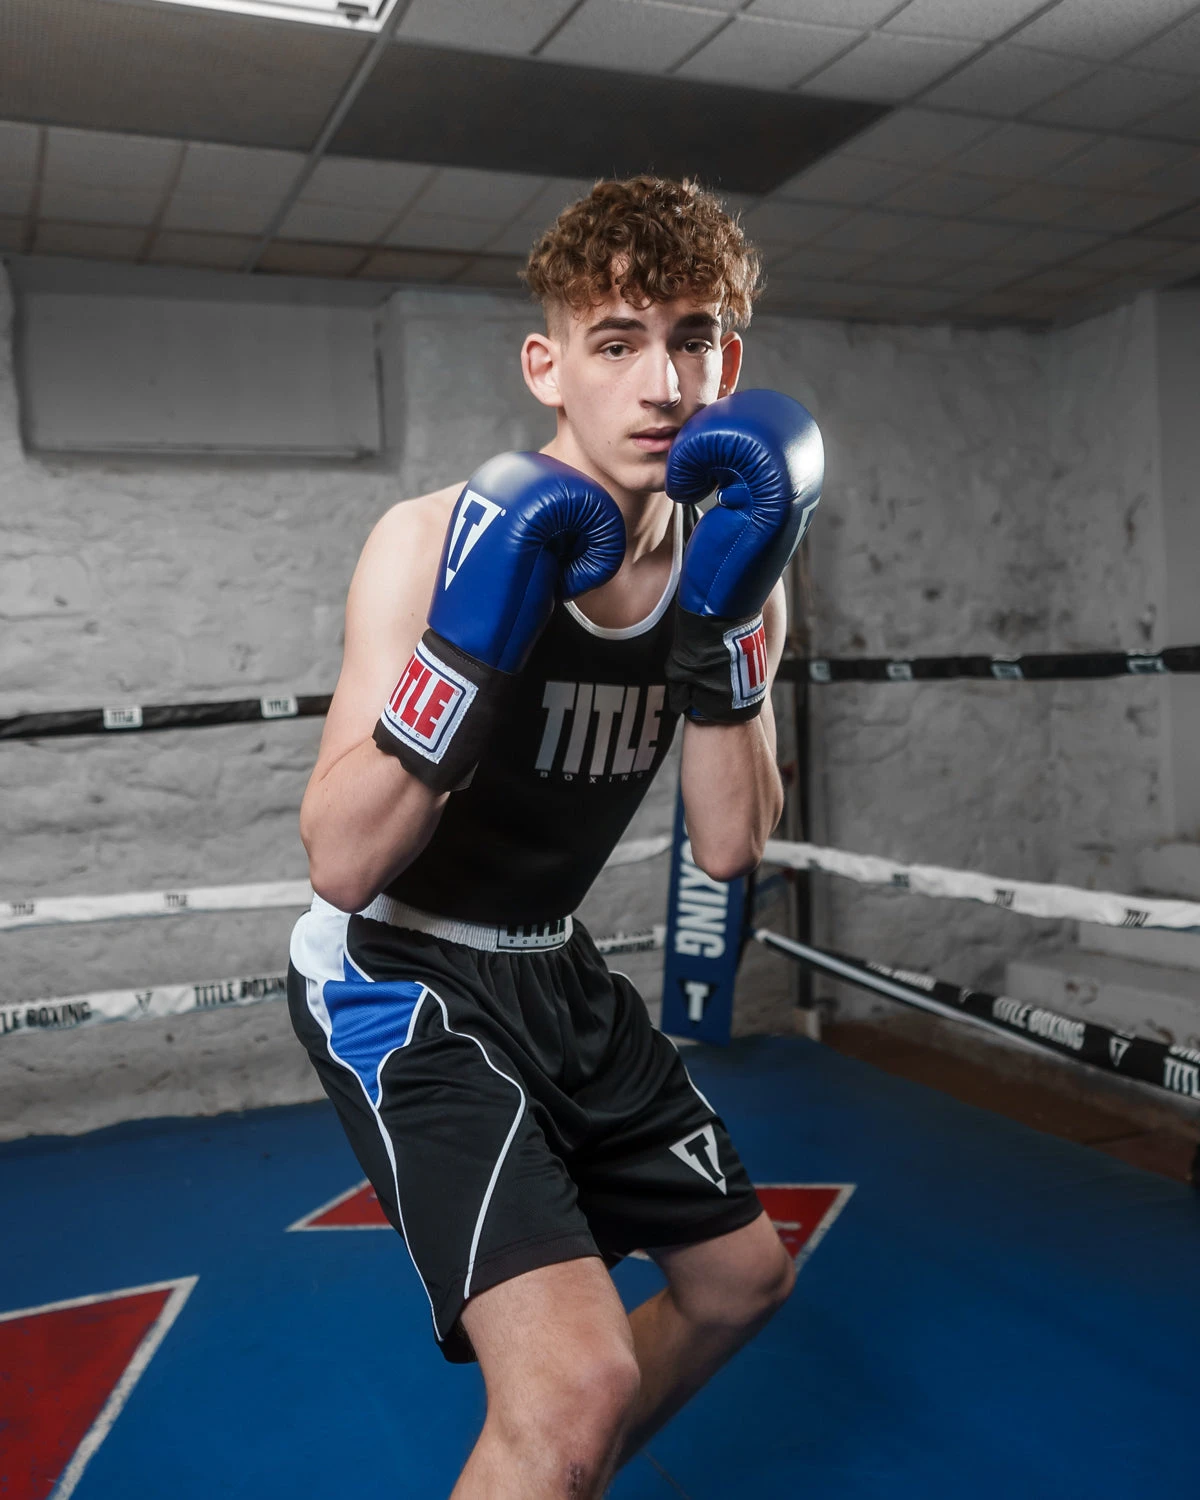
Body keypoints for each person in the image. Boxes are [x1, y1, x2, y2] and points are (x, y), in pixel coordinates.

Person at [287, 175, 823, 1500]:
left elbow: (726, 845)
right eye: (617, 342)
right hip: (399, 968)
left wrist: (725, 636)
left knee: (741, 1282)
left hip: (554, 964)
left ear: (731, 365)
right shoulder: (432, 540)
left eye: (692, 340)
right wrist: (472, 649)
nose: (661, 384)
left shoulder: (740, 559)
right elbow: (342, 863)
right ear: (550, 367)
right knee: (576, 1385)